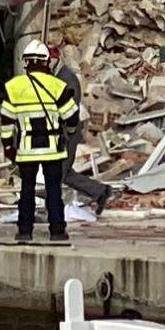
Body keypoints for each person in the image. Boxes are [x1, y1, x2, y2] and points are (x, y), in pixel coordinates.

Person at [0, 37, 79, 243]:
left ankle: (24, 231)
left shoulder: (13, 87)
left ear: (26, 62)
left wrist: (8, 146)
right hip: (53, 149)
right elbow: (72, 116)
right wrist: (69, 132)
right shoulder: (57, 86)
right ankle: (57, 231)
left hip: (26, 150)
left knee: (27, 190)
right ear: (46, 62)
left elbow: (6, 121)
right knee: (53, 191)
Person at [53, 46, 115, 216]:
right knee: (64, 171)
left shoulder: (67, 78)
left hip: (68, 128)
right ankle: (100, 191)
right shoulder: (58, 76)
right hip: (62, 128)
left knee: (59, 171)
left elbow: (69, 108)